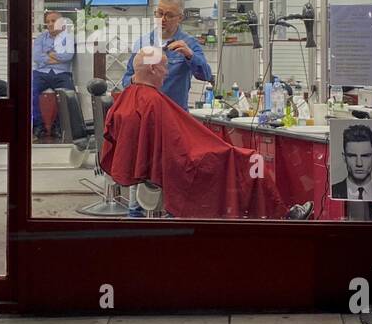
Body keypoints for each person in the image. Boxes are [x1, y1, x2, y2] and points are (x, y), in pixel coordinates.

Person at [100, 47, 287, 220]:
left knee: (238, 157)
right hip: (179, 163)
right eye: (165, 67)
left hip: (167, 161)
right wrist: (222, 149)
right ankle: (277, 215)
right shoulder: (152, 102)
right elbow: (178, 148)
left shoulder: (129, 97)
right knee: (252, 159)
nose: (167, 72)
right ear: (153, 69)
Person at [120, 0, 213, 215]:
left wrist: (191, 56)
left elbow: (206, 75)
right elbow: (126, 80)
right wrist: (135, 79)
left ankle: (171, 219)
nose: (162, 19)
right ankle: (136, 219)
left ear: (180, 17)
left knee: (173, 175)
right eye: (159, 13)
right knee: (140, 172)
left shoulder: (189, 43)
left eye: (169, 15)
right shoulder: (143, 42)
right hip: (145, 121)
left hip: (175, 121)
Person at [32, 10, 75, 138]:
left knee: (69, 95)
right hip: (41, 73)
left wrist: (48, 54)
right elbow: (36, 57)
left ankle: (59, 126)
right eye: (48, 22)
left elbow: (67, 56)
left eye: (53, 21)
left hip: (62, 74)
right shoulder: (41, 38)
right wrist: (56, 58)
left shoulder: (69, 38)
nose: (50, 24)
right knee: (29, 91)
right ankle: (38, 126)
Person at [332, 122, 372, 200]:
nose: (359, 163)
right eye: (352, 156)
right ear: (344, 157)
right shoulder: (333, 191)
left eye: (365, 156)